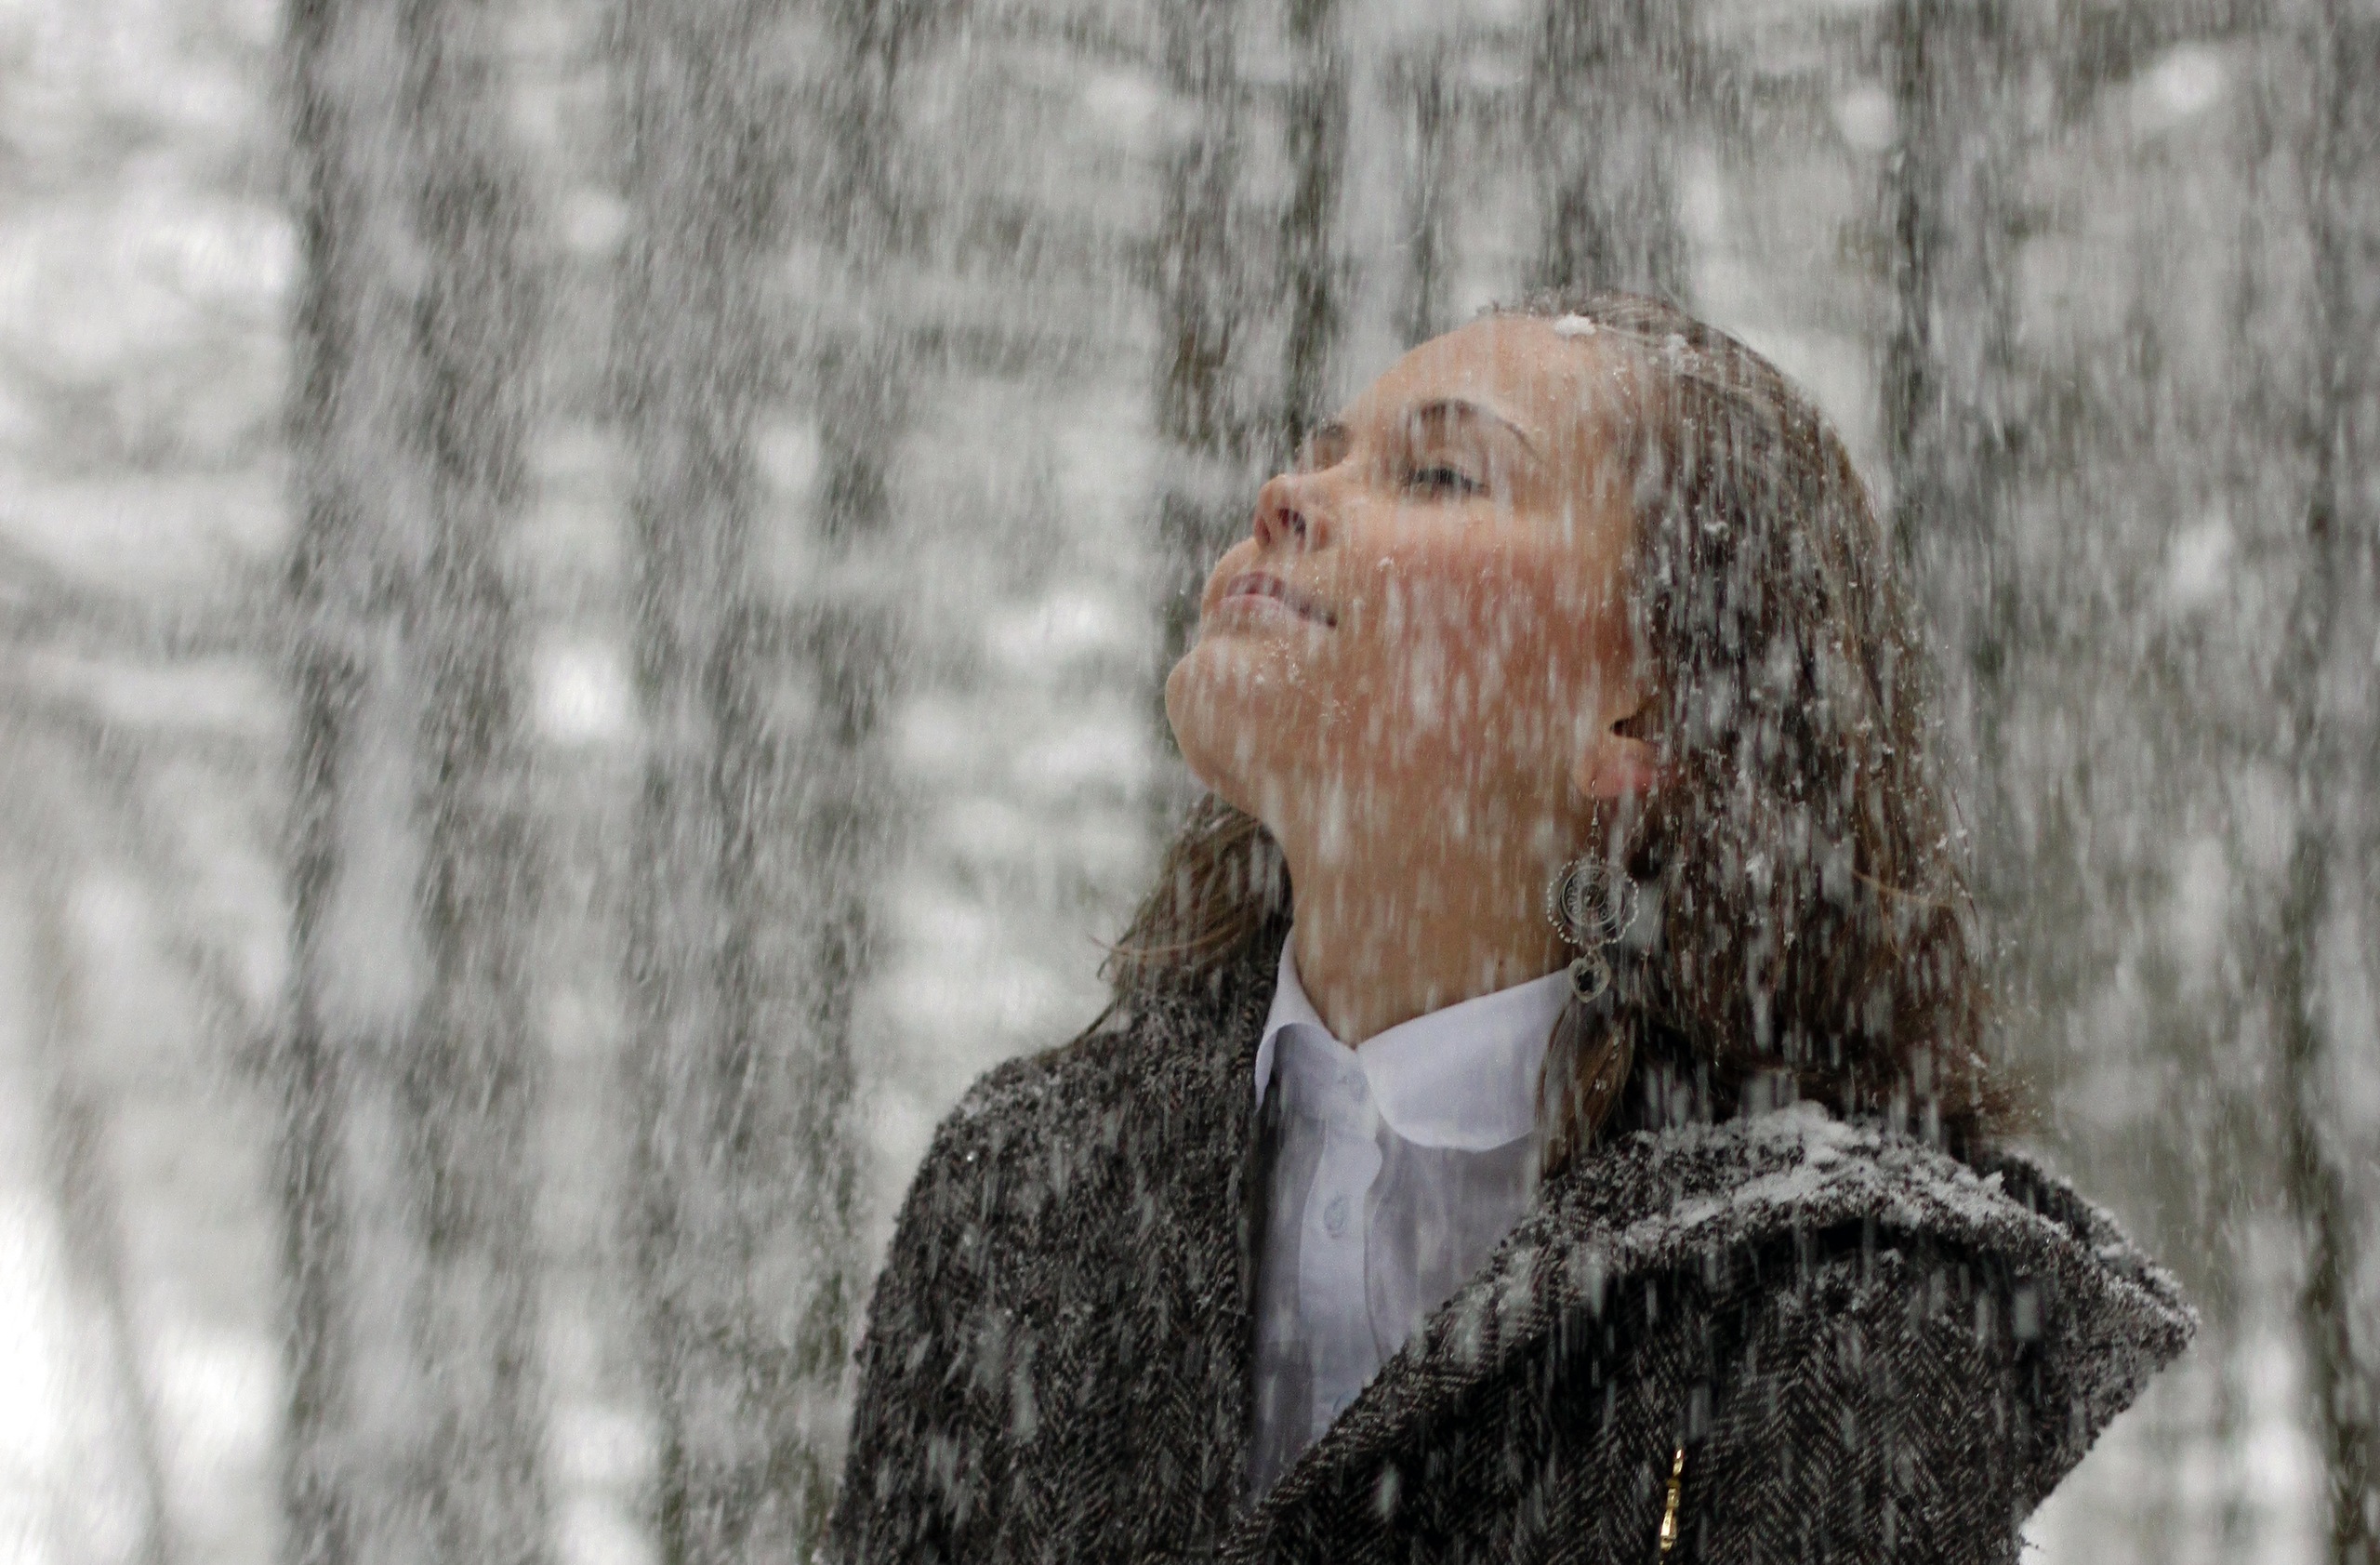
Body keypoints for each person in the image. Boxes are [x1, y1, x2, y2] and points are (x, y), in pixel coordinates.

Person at [826, 293, 2192, 1564]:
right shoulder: (1019, 1189)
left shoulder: (1838, 1290)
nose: (1285, 495)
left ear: (1646, 713)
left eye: (1437, 473)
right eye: (1320, 454)